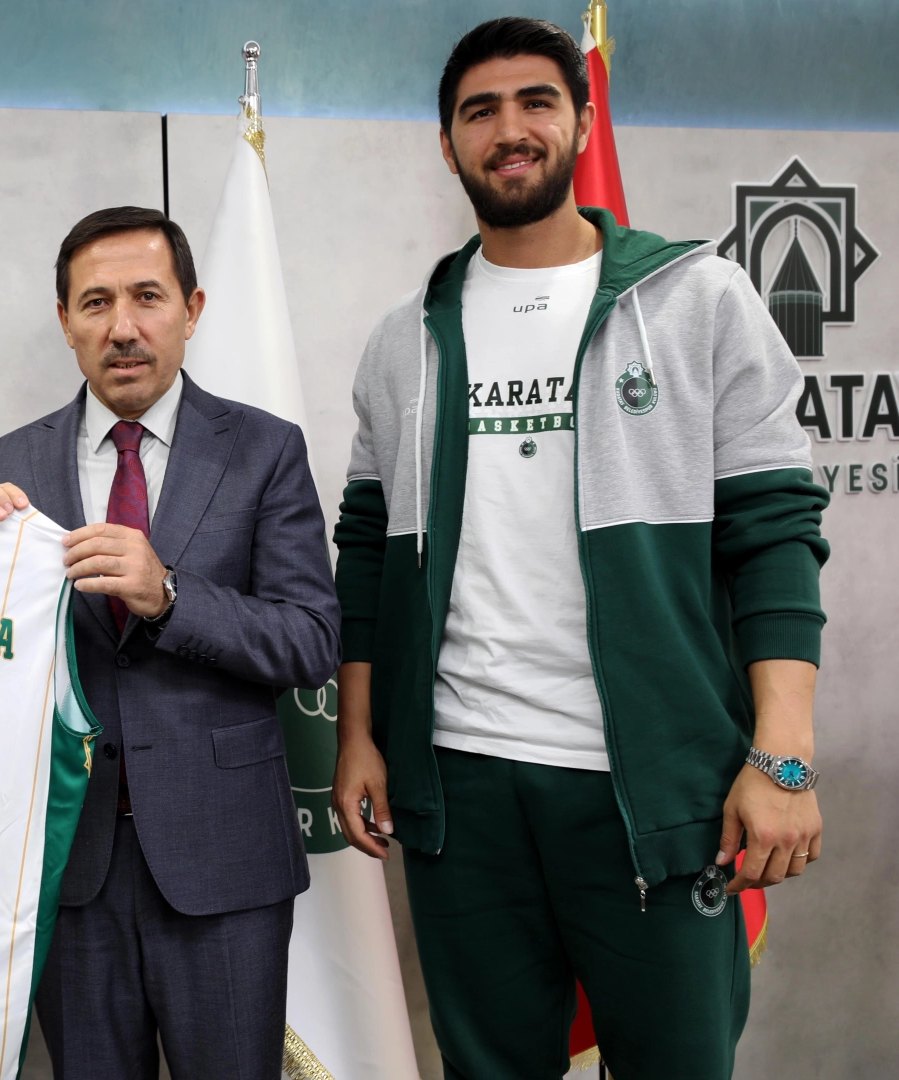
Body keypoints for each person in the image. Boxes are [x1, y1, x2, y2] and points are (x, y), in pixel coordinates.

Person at [330, 17, 829, 1080]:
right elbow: (367, 553)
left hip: (654, 790)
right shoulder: (402, 340)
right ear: (448, 144)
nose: (509, 130)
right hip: (462, 791)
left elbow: (776, 532)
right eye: (480, 112)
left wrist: (781, 757)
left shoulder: (699, 300)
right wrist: (360, 735)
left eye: (536, 103)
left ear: (583, 121)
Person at [0, 206, 340, 1079]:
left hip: (225, 862)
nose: (122, 327)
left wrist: (169, 596)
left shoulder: (264, 450)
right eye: (95, 303)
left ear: (191, 309)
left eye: (147, 297)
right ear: (65, 322)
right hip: (68, 862)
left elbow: (311, 639)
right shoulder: (10, 460)